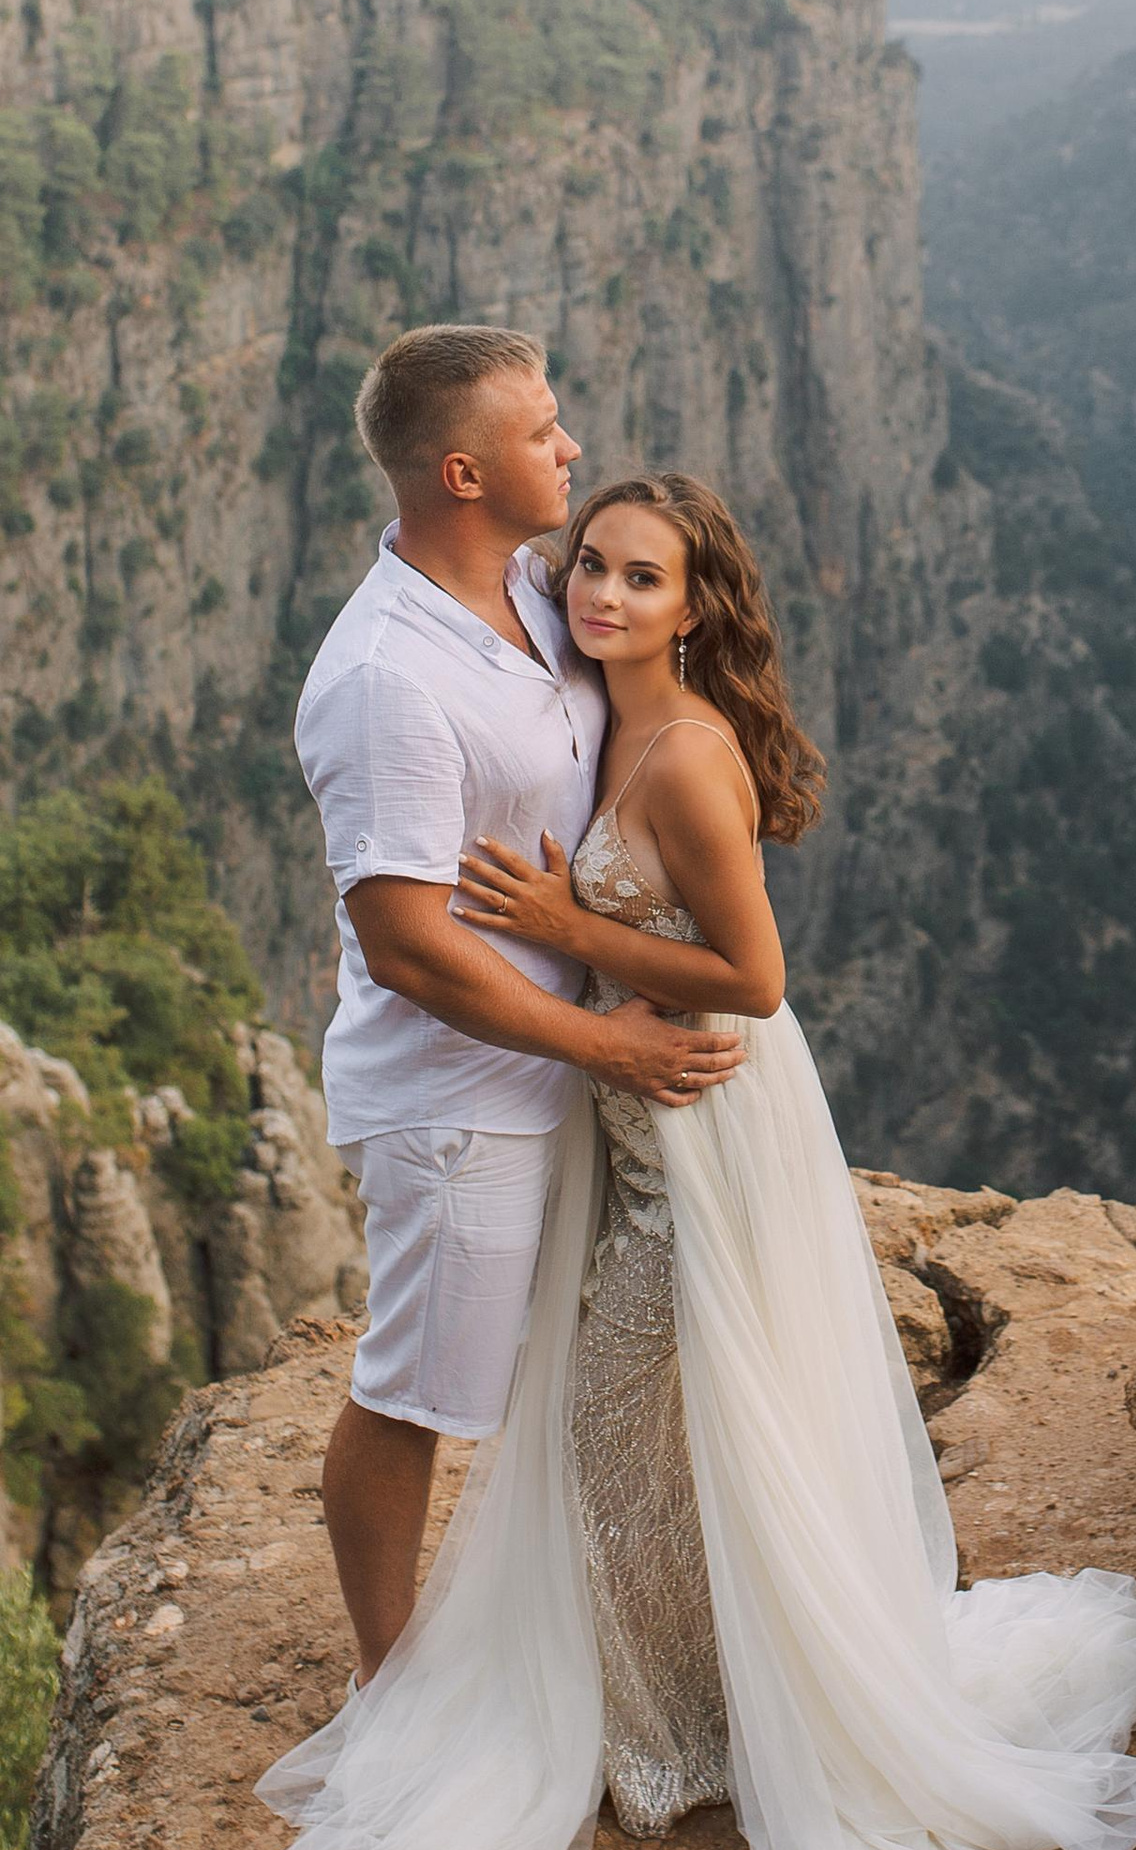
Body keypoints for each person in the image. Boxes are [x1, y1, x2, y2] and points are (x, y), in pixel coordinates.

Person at [262, 470, 1136, 1850]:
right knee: (659, 1428)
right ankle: (698, 1694)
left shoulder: (683, 752)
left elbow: (752, 974)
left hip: (703, 1120)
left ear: (693, 612)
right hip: (632, 1124)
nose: (602, 593)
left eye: (642, 579)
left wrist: (573, 925)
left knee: (622, 1422)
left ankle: (690, 1726)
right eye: (592, 565)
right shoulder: (593, 717)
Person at [288, 330, 746, 1695]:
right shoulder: (384, 680)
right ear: (464, 470)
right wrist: (615, 1039)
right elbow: (410, 948)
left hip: (562, 1076)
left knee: (566, 1373)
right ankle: (393, 1678)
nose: (572, 448)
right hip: (456, 1101)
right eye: (545, 434)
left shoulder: (542, 593)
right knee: (420, 1390)